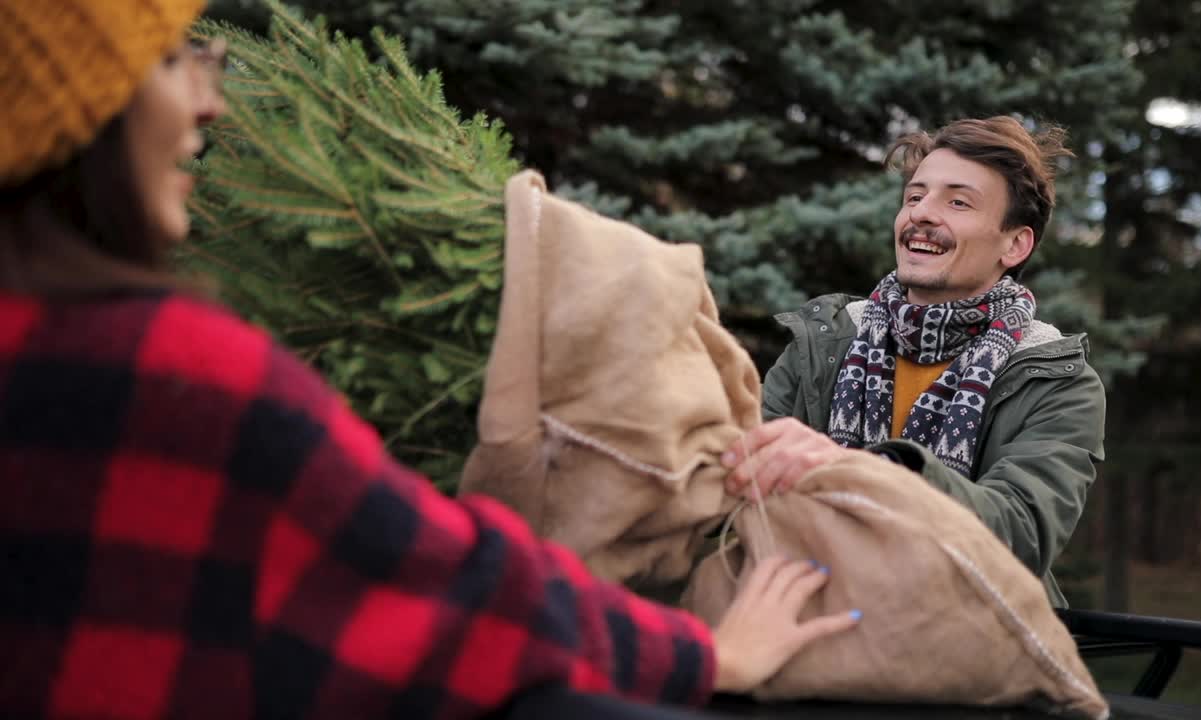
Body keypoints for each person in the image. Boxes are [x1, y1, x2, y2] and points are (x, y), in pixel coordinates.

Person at [0, 1, 859, 717]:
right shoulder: (169, 373)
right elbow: (446, 587)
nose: (210, 98)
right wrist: (707, 654)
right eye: (168, 61)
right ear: (79, 108)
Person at [722, 117, 1106, 607]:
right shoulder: (825, 341)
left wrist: (873, 471)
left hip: (970, 640)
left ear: (1015, 244)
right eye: (914, 196)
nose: (922, 213)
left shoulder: (1056, 380)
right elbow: (736, 484)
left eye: (957, 201)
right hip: (804, 612)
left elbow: (1020, 533)